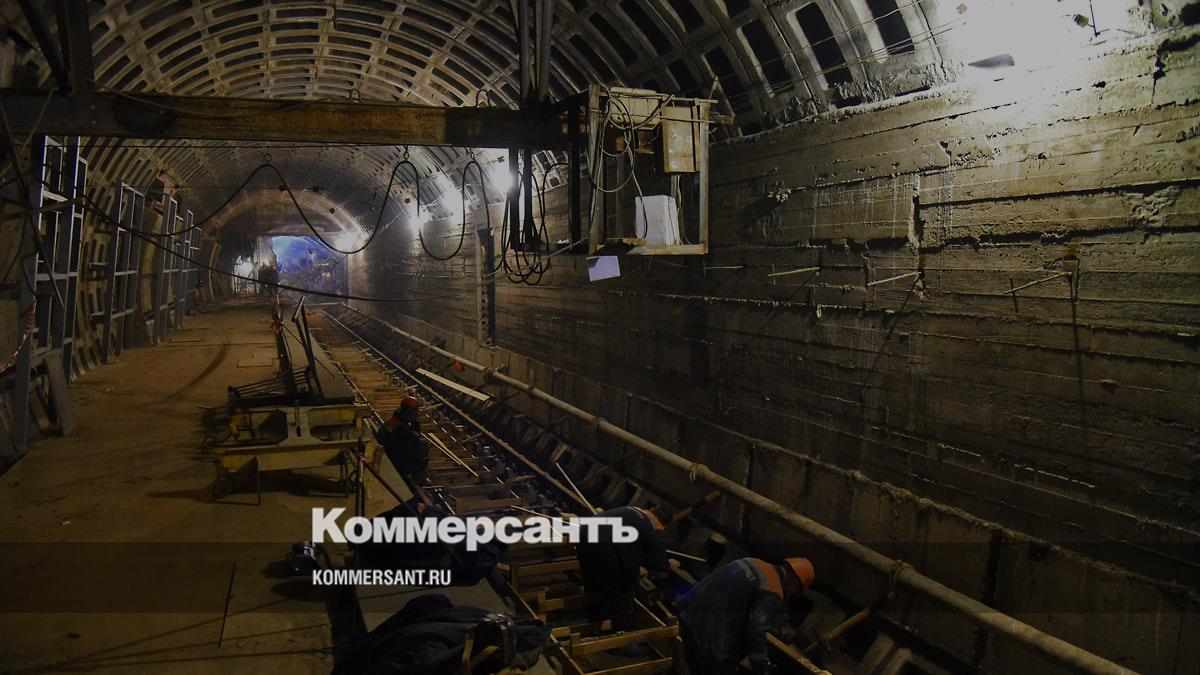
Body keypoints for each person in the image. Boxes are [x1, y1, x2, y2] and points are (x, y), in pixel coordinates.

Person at [676, 556, 815, 675]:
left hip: (688, 617)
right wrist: (760, 666)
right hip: (706, 640)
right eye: (795, 591)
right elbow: (756, 628)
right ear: (796, 583)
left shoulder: (753, 562)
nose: (790, 595)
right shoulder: (774, 590)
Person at [576, 505, 670, 627]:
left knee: (593, 579)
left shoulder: (630, 510)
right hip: (603, 543)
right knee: (619, 589)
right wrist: (660, 585)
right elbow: (660, 564)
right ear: (663, 525)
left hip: (584, 532)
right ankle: (616, 626)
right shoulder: (653, 527)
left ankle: (595, 616)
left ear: (652, 510)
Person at [374, 395, 429, 486]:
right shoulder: (400, 430)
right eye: (416, 412)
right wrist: (415, 425)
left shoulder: (394, 420)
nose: (418, 415)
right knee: (423, 447)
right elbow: (414, 442)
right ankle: (420, 479)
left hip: (389, 452)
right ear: (409, 413)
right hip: (396, 461)